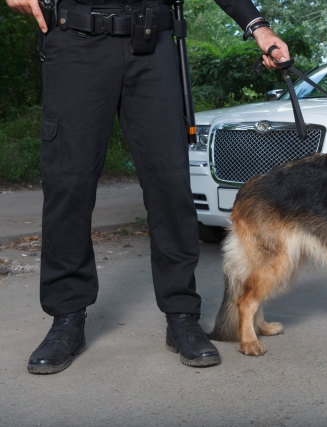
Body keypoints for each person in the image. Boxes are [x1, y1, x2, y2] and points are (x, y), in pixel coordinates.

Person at [5, 0, 290, 374]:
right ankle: (67, 318)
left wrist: (258, 26)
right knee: (67, 187)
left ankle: (182, 315)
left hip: (152, 44)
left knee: (170, 186)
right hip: (75, 42)